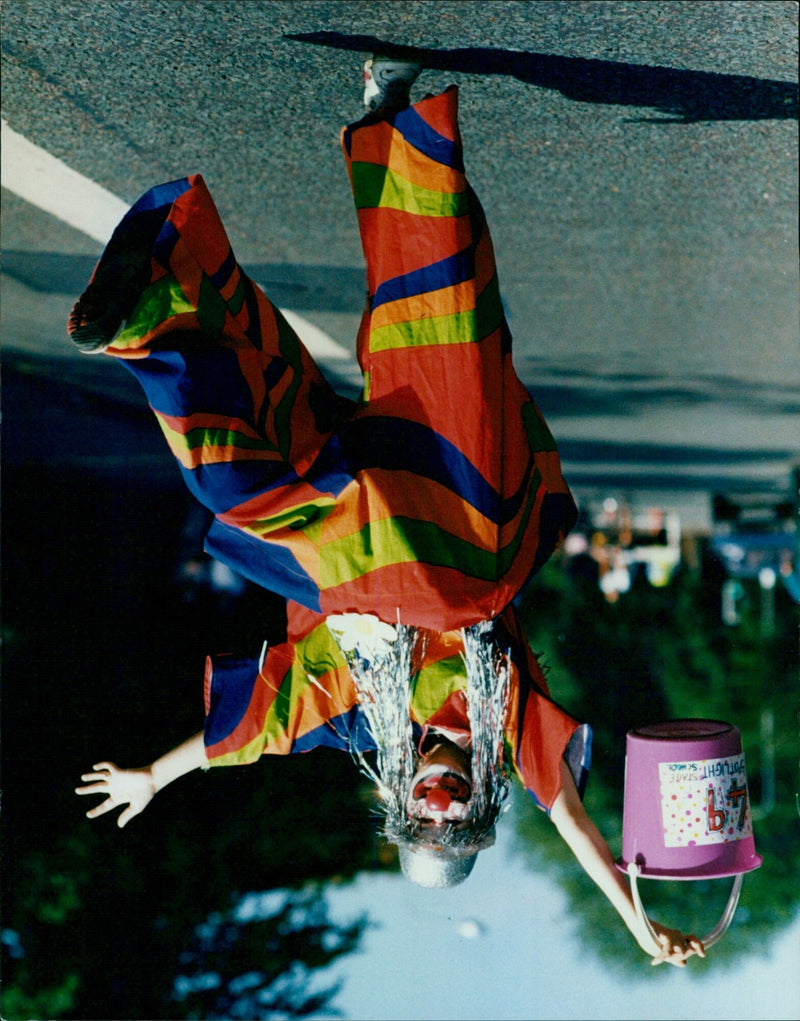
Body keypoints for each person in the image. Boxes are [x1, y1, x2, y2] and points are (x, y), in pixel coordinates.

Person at [71, 57, 704, 967]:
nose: (440, 806)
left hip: (351, 541)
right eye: (457, 822)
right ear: (478, 804)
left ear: (404, 800)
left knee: (235, 488)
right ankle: (393, 119)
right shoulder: (510, 730)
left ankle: (151, 302)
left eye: (422, 819)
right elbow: (572, 820)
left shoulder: (361, 713)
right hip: (458, 516)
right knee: (445, 326)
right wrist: (635, 918)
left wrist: (153, 776)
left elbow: (255, 732)